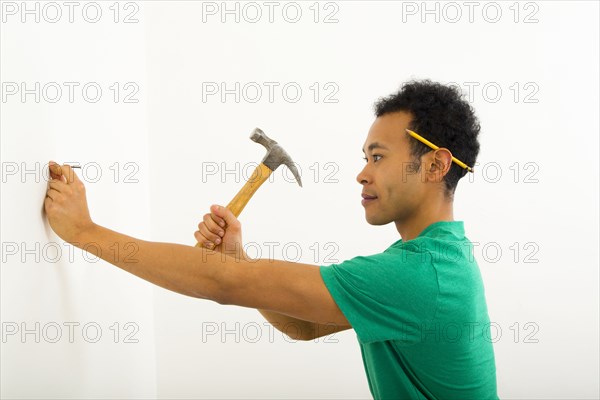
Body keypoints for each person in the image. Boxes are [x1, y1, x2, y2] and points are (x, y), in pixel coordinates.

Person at [45, 79, 498, 399]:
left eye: (377, 157)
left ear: (436, 165)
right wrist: (237, 258)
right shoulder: (435, 261)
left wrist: (84, 231)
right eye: (364, 157)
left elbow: (224, 285)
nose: (361, 173)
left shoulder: (420, 276)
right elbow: (305, 327)